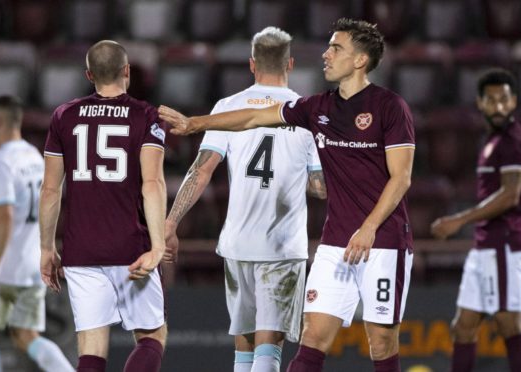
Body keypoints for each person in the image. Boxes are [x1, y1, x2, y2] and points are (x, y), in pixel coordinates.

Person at [160, 18, 415, 372]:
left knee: (382, 341)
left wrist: (369, 226)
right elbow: (253, 117)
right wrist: (195, 124)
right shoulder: (316, 108)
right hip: (334, 245)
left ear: (360, 60)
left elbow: (401, 178)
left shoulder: (389, 107)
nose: (325, 54)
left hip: (382, 242)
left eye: (335, 48)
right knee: (311, 340)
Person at [164, 27, 326, 372]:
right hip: (281, 246)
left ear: (252, 65)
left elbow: (201, 171)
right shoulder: (306, 113)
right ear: (291, 63)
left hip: (238, 242)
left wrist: (171, 222)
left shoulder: (227, 107)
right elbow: (319, 186)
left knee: (245, 346)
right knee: (270, 348)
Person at [39, 40, 168, 372]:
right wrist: (157, 245)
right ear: (127, 71)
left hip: (81, 249)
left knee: (91, 352)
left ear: (88, 74)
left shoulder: (64, 116)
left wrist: (46, 248)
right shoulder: (144, 114)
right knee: (152, 336)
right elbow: (152, 184)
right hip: (130, 246)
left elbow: (51, 189)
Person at [431, 68, 521, 372]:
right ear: (480, 103)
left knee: (509, 325)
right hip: (485, 246)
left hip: (503, 245)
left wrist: (458, 220)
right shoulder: (493, 140)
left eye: (504, 99)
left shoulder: (514, 142)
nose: (498, 106)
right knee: (462, 327)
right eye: (491, 101)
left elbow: (510, 195)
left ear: (514, 101)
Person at [0, 95, 75, 372]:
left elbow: (5, 215)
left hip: (5, 265)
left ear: (0, 121)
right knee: (25, 336)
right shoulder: (36, 157)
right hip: (32, 264)